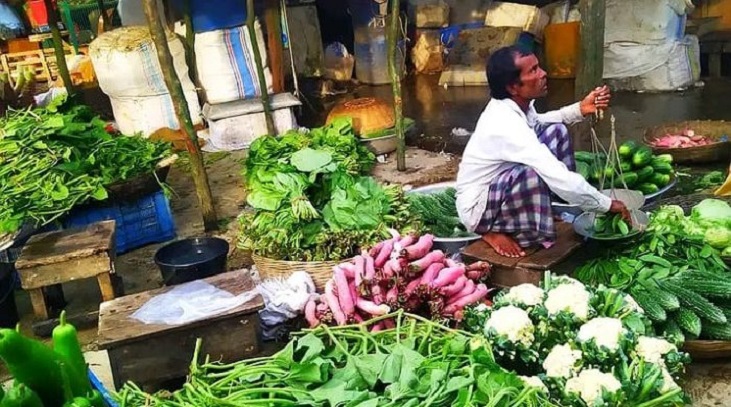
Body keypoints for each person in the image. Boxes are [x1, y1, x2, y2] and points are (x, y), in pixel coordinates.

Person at [455, 45, 630, 258]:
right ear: (513, 87)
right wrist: (606, 204)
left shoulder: (517, 105)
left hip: (499, 187)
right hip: (479, 210)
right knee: (533, 173)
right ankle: (496, 232)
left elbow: (540, 122)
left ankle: (545, 210)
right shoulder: (504, 123)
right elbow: (556, 175)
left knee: (555, 131)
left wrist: (580, 109)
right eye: (534, 71)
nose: (543, 74)